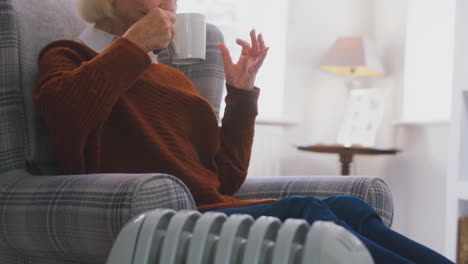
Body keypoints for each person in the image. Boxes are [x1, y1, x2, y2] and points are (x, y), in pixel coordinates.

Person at [33, 0, 453, 263]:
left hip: (210, 209)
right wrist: (133, 46)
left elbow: (225, 177)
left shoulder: (174, 79)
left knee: (349, 207)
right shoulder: (69, 55)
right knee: (311, 215)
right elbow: (68, 114)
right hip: (167, 220)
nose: (170, 4)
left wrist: (241, 94)